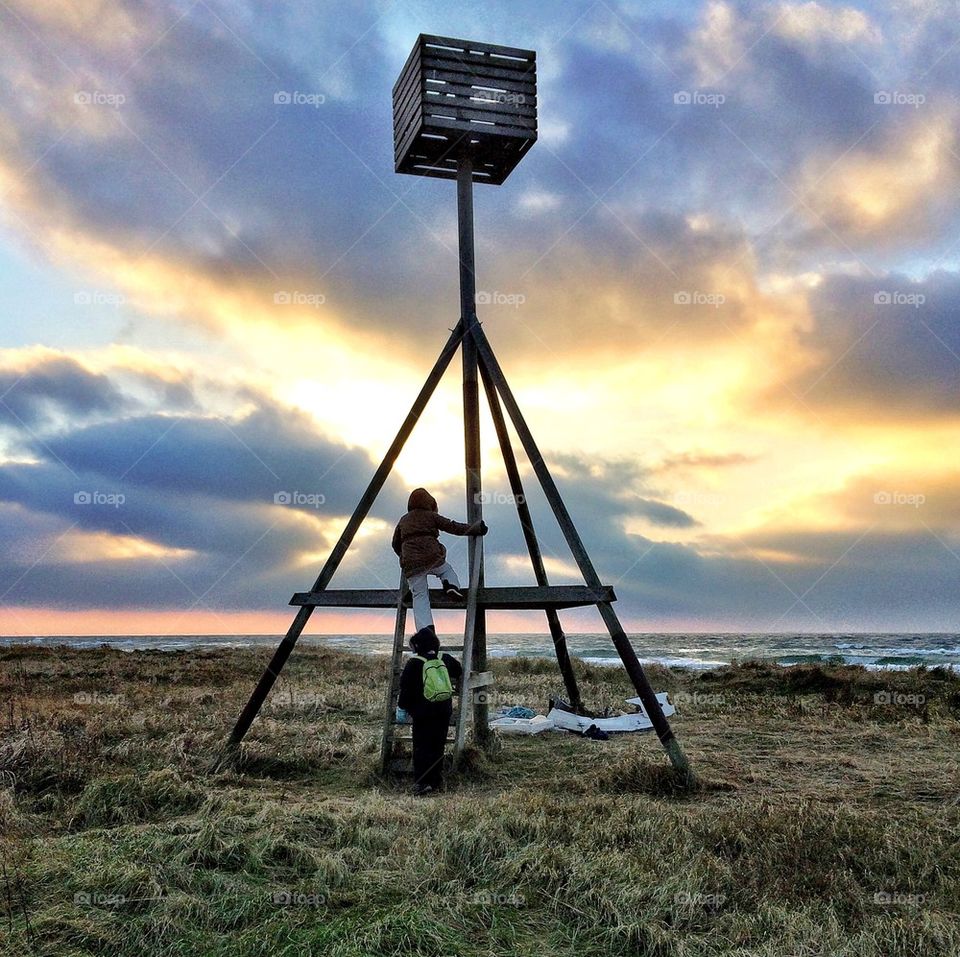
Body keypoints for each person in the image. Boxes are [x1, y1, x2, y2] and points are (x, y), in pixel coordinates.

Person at [392, 487, 487, 631]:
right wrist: (476, 528)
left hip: (411, 564)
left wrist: (404, 556)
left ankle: (426, 631)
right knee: (446, 570)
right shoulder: (431, 516)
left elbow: (395, 543)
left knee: (420, 596)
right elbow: (453, 527)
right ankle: (451, 586)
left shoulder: (403, 520)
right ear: (431, 504)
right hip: (432, 557)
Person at [398, 626, 463, 796]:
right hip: (443, 709)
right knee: (437, 745)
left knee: (421, 746)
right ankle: (436, 780)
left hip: (422, 713)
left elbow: (405, 689)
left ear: (418, 645)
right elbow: (459, 670)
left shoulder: (415, 663)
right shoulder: (445, 658)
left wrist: (403, 708)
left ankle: (422, 783)